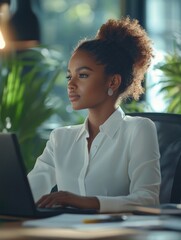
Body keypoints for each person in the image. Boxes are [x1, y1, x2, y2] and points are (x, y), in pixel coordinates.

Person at [28, 17, 161, 213]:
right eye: (69, 76)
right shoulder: (61, 139)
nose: (71, 85)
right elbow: (28, 193)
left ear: (113, 82)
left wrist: (81, 201)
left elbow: (148, 200)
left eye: (82, 75)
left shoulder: (138, 130)